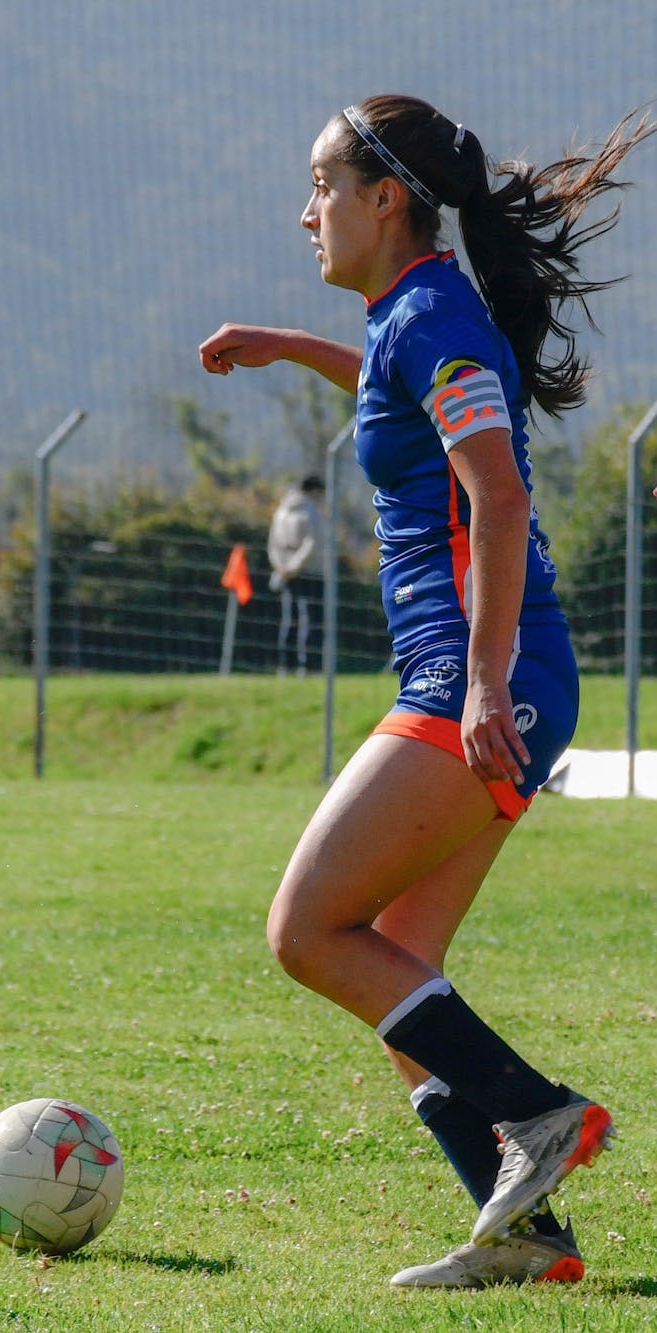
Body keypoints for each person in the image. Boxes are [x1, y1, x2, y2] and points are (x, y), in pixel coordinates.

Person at [200, 96, 654, 1289]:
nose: (307, 212)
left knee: (306, 931)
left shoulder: (436, 315)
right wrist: (292, 344)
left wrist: (486, 681)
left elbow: (497, 499)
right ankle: (524, 1236)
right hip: (485, 670)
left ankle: (539, 1115)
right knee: (399, 953)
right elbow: (401, 392)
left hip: (479, 672)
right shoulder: (417, 315)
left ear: (386, 197)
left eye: (323, 186)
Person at [267, 474, 325, 675]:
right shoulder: (311, 511)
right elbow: (312, 543)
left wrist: (282, 567)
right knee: (309, 619)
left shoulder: (281, 511)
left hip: (285, 571)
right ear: (314, 490)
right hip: (309, 572)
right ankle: (306, 665)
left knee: (289, 618)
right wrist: (296, 565)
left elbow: (273, 543)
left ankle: (285, 664)